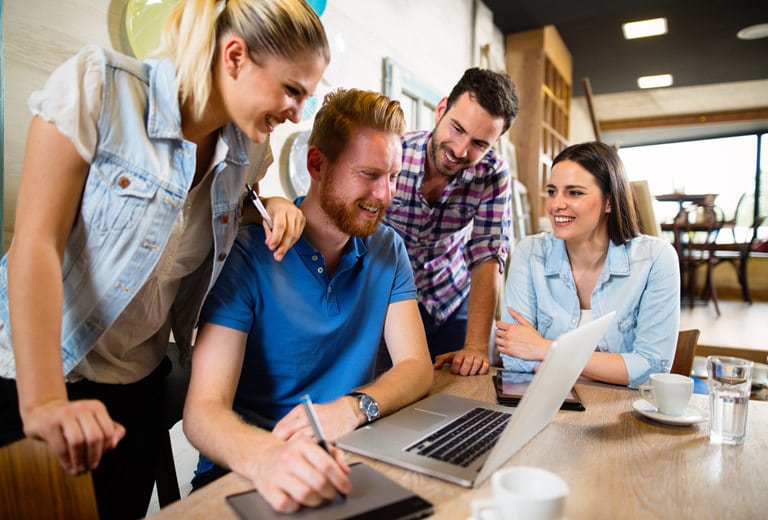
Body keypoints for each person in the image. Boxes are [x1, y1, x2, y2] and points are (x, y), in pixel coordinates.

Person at [0, 1, 329, 518]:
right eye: (292, 90)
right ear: (235, 56)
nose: (297, 113)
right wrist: (43, 402)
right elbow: (35, 244)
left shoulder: (250, 150)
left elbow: (211, 213)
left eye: (305, 97)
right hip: (37, 374)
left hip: (137, 385)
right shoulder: (99, 87)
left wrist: (275, 205)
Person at [182, 87, 434, 513]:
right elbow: (203, 413)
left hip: (350, 458)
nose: (385, 195)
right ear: (316, 164)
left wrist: (354, 409)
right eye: (370, 175)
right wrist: (273, 457)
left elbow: (416, 367)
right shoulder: (248, 253)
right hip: (252, 473)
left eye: (392, 177)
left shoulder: (387, 248)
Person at [496, 141, 681, 388]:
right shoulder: (529, 253)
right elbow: (514, 356)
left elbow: (650, 368)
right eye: (552, 191)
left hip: (619, 413)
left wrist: (545, 349)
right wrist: (612, 369)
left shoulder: (656, 259)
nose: (556, 205)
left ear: (609, 201)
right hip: (545, 406)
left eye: (574, 192)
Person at [381, 67, 519, 377]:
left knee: (463, 387)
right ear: (441, 109)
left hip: (451, 298)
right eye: (457, 129)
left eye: (479, 144)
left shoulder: (492, 174)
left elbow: (488, 256)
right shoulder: (394, 154)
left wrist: (476, 347)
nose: (460, 150)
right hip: (390, 300)